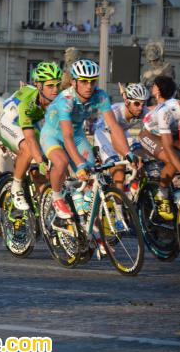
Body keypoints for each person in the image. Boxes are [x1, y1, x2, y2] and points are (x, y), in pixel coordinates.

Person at [40, 59, 132, 227]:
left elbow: (113, 126)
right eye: (83, 81)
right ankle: (57, 197)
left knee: (92, 180)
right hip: (53, 134)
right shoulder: (65, 100)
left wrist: (128, 153)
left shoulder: (100, 95)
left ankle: (91, 231)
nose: (89, 86)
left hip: (77, 135)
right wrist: (79, 164)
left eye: (92, 81)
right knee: (62, 162)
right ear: (74, 82)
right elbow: (66, 137)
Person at [0, 61, 62, 217]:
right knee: (28, 148)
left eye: (57, 85)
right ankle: (16, 186)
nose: (55, 90)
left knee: (47, 164)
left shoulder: (57, 101)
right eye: (50, 86)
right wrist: (40, 161)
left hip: (30, 123)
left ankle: (42, 207)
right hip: (10, 121)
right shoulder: (29, 102)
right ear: (40, 87)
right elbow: (30, 138)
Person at [138, 75, 180, 220]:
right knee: (173, 160)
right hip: (149, 134)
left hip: (171, 133)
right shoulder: (167, 111)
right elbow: (168, 147)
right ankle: (161, 193)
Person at [93, 83, 149, 190]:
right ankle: (118, 204)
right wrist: (127, 155)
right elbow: (115, 140)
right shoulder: (116, 111)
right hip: (104, 134)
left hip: (122, 132)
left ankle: (134, 192)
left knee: (141, 159)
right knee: (119, 171)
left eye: (143, 103)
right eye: (137, 103)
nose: (141, 108)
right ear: (127, 102)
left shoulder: (140, 110)